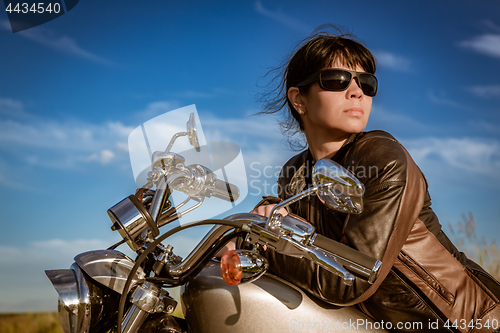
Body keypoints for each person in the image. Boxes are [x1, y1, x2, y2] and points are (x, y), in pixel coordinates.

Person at [250, 27, 500, 333]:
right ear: (298, 99)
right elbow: (304, 247)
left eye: (366, 83)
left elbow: (352, 277)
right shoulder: (295, 173)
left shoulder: (382, 158)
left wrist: (262, 244)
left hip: (464, 324)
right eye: (336, 80)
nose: (356, 91)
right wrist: (267, 213)